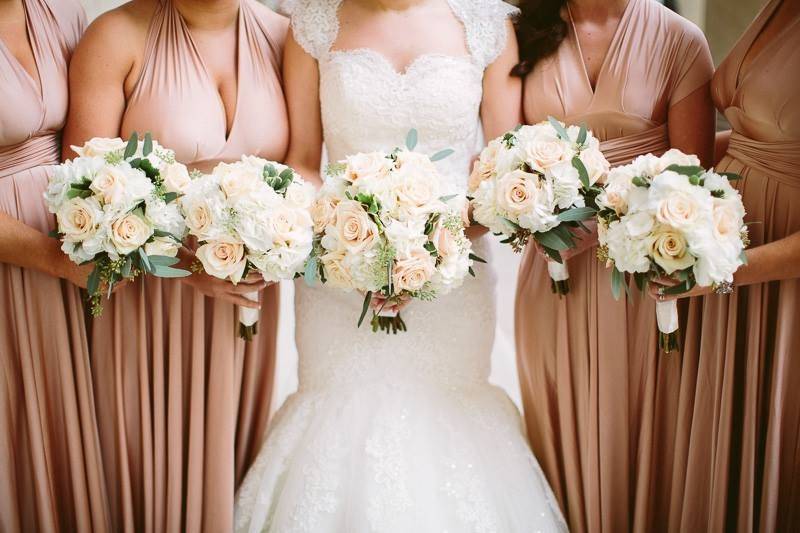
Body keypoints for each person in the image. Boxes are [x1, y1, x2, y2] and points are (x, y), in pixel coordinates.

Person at [234, 1, 567, 531]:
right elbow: (302, 161)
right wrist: (349, 247)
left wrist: (434, 249)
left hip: (456, 274)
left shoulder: (487, 24)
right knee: (336, 406)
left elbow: (500, 168)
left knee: (446, 403)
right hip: (337, 270)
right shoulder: (313, 24)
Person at [63, 0, 288, 529]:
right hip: (147, 295)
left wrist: (278, 243)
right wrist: (187, 265)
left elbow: (303, 167)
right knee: (142, 473)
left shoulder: (285, 36)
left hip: (248, 296)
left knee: (236, 468)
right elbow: (82, 195)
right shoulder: (115, 37)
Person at [513, 0, 714, 530]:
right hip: (555, 273)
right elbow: (499, 153)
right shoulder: (522, 32)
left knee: (651, 431)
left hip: (647, 276)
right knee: (559, 433)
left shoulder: (681, 41)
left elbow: (695, 182)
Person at [649, 1, 800, 530]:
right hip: (729, 239)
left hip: (775, 279)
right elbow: (756, 140)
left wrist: (722, 271)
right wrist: (650, 181)